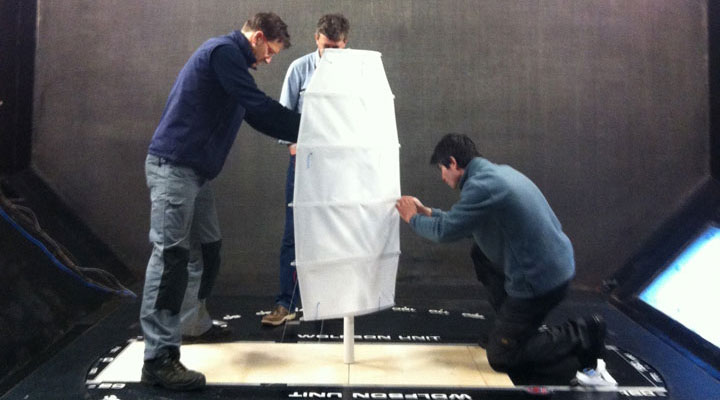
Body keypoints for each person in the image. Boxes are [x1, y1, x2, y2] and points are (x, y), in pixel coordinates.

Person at [139, 12, 301, 391]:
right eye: (270, 52)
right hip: (174, 167)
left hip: (196, 173)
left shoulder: (232, 64)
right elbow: (259, 109)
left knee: (207, 251)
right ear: (258, 37)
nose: (268, 60)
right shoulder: (224, 53)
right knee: (170, 259)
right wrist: (314, 124)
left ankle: (193, 325)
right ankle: (158, 359)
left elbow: (256, 114)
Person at [395, 133, 610, 384]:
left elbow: (446, 232)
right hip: (554, 267)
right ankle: (507, 329)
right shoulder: (497, 175)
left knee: (501, 357)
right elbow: (464, 222)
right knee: (480, 253)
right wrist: (428, 212)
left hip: (539, 282)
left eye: (442, 169)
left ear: (453, 163)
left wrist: (412, 218)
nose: (443, 176)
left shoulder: (482, 187)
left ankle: (584, 333)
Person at [262, 13, 350, 326]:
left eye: (338, 48)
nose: (332, 53)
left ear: (346, 43)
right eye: (327, 46)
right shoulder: (299, 69)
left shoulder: (357, 72)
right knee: (294, 234)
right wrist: (298, 150)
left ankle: (335, 302)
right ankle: (286, 303)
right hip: (305, 162)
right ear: (317, 40)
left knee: (340, 232)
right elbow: (284, 118)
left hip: (342, 165)